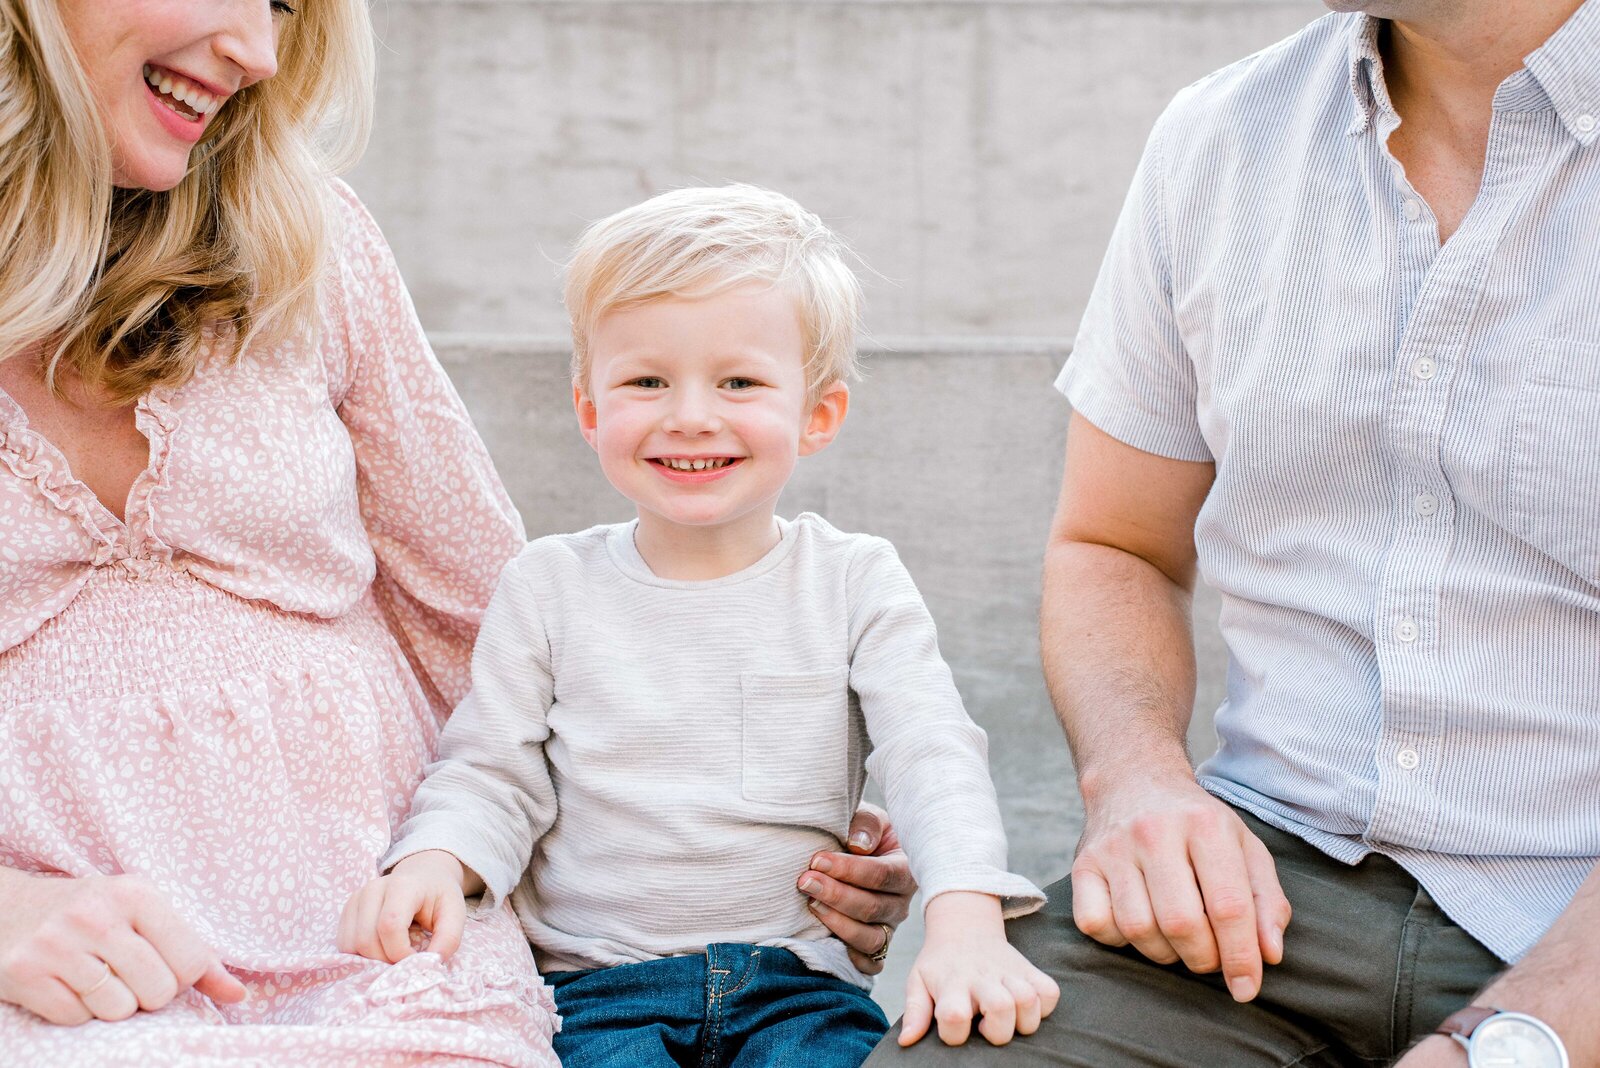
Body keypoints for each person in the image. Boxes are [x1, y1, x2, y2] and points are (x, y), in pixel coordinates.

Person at [0, 3, 914, 1063]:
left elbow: (487, 622)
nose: (259, 51)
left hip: (397, 952)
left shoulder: (307, 240)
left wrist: (751, 861)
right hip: (66, 987)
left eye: (286, 6)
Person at [868, 0, 1600, 1065]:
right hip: (1255, 896)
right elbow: (1114, 544)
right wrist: (1134, 780)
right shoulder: (1217, 138)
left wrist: (1516, 1039)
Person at [340, 184, 1062, 1067]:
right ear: (590, 409)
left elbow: (929, 749)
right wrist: (435, 862)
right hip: (598, 992)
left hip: (798, 990)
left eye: (739, 381)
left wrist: (964, 912)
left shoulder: (852, 580)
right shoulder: (549, 586)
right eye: (646, 380)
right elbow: (493, 771)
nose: (690, 414)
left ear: (818, 413)